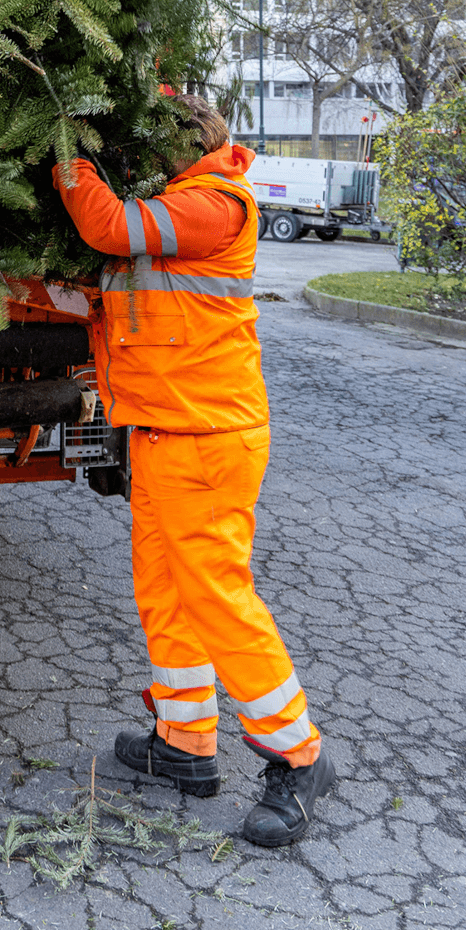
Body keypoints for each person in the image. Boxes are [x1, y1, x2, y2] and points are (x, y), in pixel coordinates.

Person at [53, 94, 335, 848]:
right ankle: (185, 741)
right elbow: (117, 289)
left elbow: (110, 225)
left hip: (207, 436)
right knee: (165, 588)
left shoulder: (217, 204)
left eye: (145, 152)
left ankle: (298, 755)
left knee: (216, 594)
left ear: (180, 146)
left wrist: (63, 148)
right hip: (162, 433)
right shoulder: (180, 209)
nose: (135, 166)